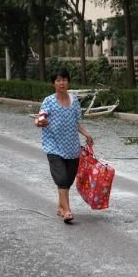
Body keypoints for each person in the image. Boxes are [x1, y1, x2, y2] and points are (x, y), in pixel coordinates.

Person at [35, 68, 93, 223]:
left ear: (68, 82)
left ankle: (60, 207)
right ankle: (67, 211)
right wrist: (40, 122)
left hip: (72, 147)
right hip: (53, 146)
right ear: (54, 83)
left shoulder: (74, 101)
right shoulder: (48, 101)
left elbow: (76, 123)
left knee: (68, 180)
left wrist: (86, 134)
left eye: (64, 80)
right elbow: (40, 118)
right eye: (58, 80)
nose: (62, 83)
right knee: (61, 177)